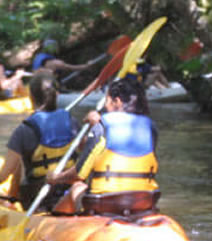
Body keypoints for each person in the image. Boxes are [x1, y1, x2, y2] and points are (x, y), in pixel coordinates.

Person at [47, 74, 160, 217]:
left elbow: (79, 174)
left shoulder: (102, 126)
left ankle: (54, 220)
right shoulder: (151, 128)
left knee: (77, 187)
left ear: (117, 101)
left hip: (105, 202)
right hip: (143, 200)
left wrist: (55, 178)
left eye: (107, 101)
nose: (105, 106)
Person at [0, 72, 77, 209]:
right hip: (68, 189)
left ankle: (10, 200)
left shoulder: (24, 130)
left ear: (30, 97)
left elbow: (2, 176)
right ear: (57, 95)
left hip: (38, 197)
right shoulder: (72, 122)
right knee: (19, 163)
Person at [31, 38, 100, 76]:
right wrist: (86, 66)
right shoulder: (52, 62)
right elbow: (70, 67)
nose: (57, 48)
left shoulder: (38, 57)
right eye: (56, 47)